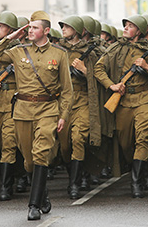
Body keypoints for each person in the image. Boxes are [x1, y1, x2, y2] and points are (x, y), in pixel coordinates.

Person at [0, 10, 73, 221]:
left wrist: (63, 116)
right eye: (29, 28)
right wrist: (10, 38)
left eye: (35, 28)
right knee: (29, 161)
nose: (31, 31)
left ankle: (33, 205)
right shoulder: (18, 51)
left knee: (41, 153)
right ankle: (42, 196)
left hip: (47, 110)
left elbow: (67, 89)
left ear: (46, 31)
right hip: (23, 111)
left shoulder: (59, 54)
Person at [94, 15, 148, 198]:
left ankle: (136, 182)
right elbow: (99, 69)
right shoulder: (115, 48)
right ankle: (139, 168)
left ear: (139, 31)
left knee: (142, 138)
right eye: (126, 25)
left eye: (130, 26)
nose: (125, 28)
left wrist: (147, 67)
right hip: (123, 100)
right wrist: (111, 85)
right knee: (126, 141)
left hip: (144, 98)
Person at [57, 15, 99, 199]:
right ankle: (74, 172)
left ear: (77, 29)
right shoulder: (57, 50)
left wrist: (84, 70)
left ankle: (74, 184)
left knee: (78, 138)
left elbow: (99, 76)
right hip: (62, 101)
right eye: (63, 26)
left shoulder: (90, 52)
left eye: (67, 26)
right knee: (64, 144)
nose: (63, 29)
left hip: (82, 99)